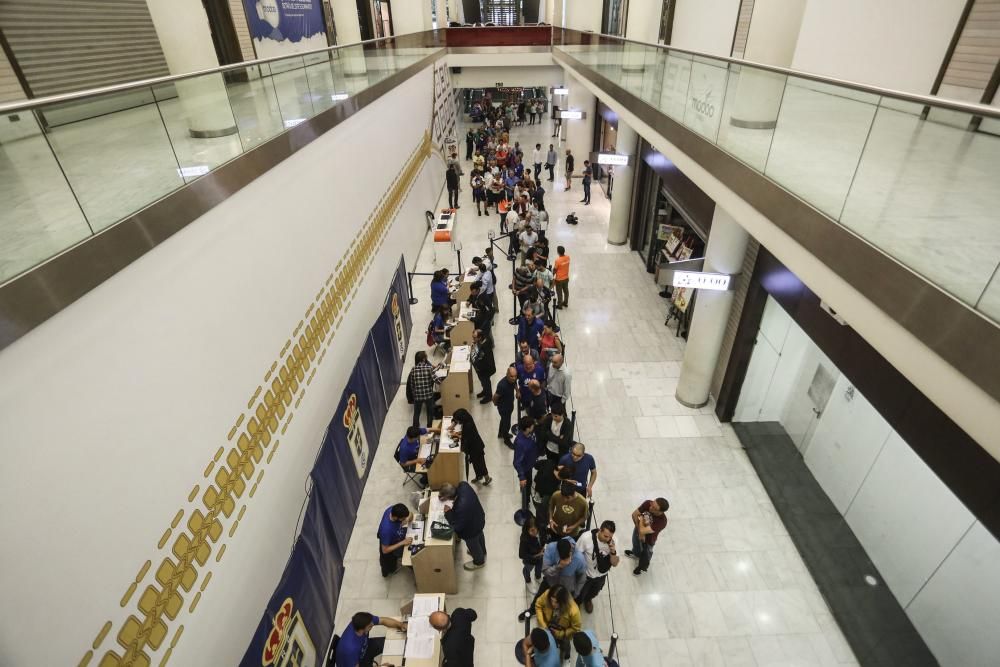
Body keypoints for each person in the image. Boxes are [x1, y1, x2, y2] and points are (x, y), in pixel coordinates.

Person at [439, 482, 487, 569]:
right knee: (480, 535)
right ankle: (482, 551)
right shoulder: (463, 485)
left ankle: (479, 562)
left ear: (448, 497)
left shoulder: (460, 507)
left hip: (471, 530)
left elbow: (457, 526)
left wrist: (448, 513)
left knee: (473, 544)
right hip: (479, 518)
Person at [334, 611, 407, 667]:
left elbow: (383, 620)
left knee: (392, 643)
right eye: (370, 626)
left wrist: (400, 625)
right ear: (361, 630)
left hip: (365, 647)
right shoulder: (350, 649)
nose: (372, 624)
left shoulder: (363, 620)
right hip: (357, 661)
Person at [575, 520, 619, 613]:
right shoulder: (586, 538)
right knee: (580, 593)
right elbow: (577, 555)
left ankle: (588, 600)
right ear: (600, 530)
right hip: (586, 574)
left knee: (594, 591)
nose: (608, 539)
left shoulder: (613, 541)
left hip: (601, 576)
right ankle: (577, 603)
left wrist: (613, 551)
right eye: (605, 536)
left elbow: (614, 564)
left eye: (610, 537)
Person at [535, 584, 582, 660]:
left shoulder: (574, 611)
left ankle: (566, 655)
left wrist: (560, 634)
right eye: (551, 600)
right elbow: (538, 605)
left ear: (563, 602)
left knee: (565, 645)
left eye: (556, 602)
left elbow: (575, 628)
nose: (553, 604)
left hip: (563, 633)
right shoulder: (547, 594)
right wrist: (543, 625)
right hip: (548, 626)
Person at [625, 497, 670, 575]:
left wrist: (642, 519)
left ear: (660, 512)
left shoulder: (662, 522)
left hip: (649, 540)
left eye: (654, 508)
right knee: (636, 545)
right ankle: (636, 554)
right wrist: (640, 532)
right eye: (652, 504)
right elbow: (634, 514)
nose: (650, 507)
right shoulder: (648, 503)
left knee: (646, 555)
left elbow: (643, 530)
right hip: (638, 531)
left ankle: (641, 568)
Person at [450, 409, 491, 485]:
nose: (457, 421)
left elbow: (467, 439)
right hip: (474, 446)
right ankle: (479, 476)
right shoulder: (467, 418)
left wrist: (457, 436)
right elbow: (455, 420)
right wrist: (453, 425)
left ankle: (487, 478)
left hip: (476, 447)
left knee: (480, 463)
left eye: (458, 420)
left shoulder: (468, 426)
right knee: (475, 463)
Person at [377, 503, 412, 577]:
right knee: (390, 568)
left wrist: (408, 518)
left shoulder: (393, 509)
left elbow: (408, 516)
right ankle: (386, 570)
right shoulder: (386, 530)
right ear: (396, 517)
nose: (405, 519)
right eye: (403, 518)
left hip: (395, 534)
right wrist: (403, 542)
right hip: (389, 544)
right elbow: (385, 550)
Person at [513, 416, 538, 511]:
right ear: (527, 428)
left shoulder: (530, 434)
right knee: (527, 484)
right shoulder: (520, 443)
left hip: (530, 463)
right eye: (532, 426)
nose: (533, 427)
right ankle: (526, 501)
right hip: (526, 468)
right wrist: (522, 477)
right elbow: (516, 462)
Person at [407, 351, 437, 428]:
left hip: (418, 396)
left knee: (416, 413)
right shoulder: (429, 368)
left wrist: (415, 395)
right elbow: (436, 380)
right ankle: (429, 427)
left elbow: (412, 384)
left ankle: (415, 427)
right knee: (430, 412)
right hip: (428, 395)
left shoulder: (413, 369)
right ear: (424, 359)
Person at [493, 366, 519, 448]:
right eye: (511, 376)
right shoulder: (502, 385)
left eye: (515, 376)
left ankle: (500, 433)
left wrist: (517, 391)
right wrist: (496, 404)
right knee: (507, 424)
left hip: (509, 404)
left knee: (504, 420)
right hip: (504, 408)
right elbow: (495, 397)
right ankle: (506, 439)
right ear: (507, 374)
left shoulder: (513, 380)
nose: (514, 378)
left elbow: (515, 384)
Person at [471, 329, 495, 405]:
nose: (473, 339)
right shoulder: (480, 342)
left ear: (480, 337)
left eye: (475, 338)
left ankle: (488, 396)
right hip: (480, 368)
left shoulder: (485, 346)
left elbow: (482, 359)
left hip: (485, 369)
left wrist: (478, 366)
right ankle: (485, 391)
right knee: (483, 381)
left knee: (486, 381)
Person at [519, 514, 545, 584]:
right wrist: (536, 555)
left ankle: (538, 576)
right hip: (530, 560)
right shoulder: (524, 540)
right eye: (532, 530)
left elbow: (543, 539)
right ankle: (528, 580)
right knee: (527, 570)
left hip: (540, 556)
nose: (535, 532)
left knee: (539, 567)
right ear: (527, 530)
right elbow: (521, 555)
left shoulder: (540, 531)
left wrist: (543, 547)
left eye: (536, 529)